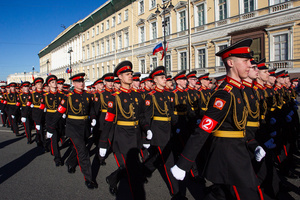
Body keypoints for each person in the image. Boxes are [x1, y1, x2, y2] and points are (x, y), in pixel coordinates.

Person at [171, 38, 265, 200]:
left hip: (239, 152)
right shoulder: (224, 94)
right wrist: (184, 163)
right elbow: (204, 129)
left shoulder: (239, 91)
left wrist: (253, 144)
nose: (250, 65)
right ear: (230, 63)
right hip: (229, 157)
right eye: (245, 61)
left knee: (223, 194)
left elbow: (239, 126)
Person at [99, 61, 146, 197]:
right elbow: (108, 122)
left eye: (131, 73)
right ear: (120, 77)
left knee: (128, 167)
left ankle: (112, 179)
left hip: (135, 135)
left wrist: (146, 132)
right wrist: (103, 143)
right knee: (132, 171)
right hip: (122, 135)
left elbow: (141, 116)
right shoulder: (115, 98)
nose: (130, 76)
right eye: (127, 74)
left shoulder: (138, 95)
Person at [48, 73, 98, 189]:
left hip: (85, 127)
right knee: (83, 151)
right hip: (73, 127)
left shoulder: (88, 95)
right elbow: (59, 113)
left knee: (79, 148)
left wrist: (93, 118)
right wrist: (50, 127)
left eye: (82, 81)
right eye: (79, 82)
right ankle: (89, 178)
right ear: (74, 84)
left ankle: (70, 162)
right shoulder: (68, 97)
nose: (82, 83)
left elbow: (91, 109)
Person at [143, 66, 185, 199]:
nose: (164, 79)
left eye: (164, 77)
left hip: (169, 129)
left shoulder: (169, 94)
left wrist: (176, 124)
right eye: (161, 77)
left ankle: (140, 172)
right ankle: (176, 192)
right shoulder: (151, 96)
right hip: (158, 130)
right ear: (155, 80)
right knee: (169, 161)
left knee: (157, 157)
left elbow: (171, 112)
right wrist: (147, 133)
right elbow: (146, 117)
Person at [40, 75, 65, 166]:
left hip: (60, 120)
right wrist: (40, 122)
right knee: (54, 139)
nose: (55, 83)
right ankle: (57, 158)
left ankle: (53, 149)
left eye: (55, 82)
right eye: (52, 82)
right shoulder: (46, 96)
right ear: (49, 85)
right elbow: (41, 109)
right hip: (50, 119)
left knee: (60, 136)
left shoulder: (62, 95)